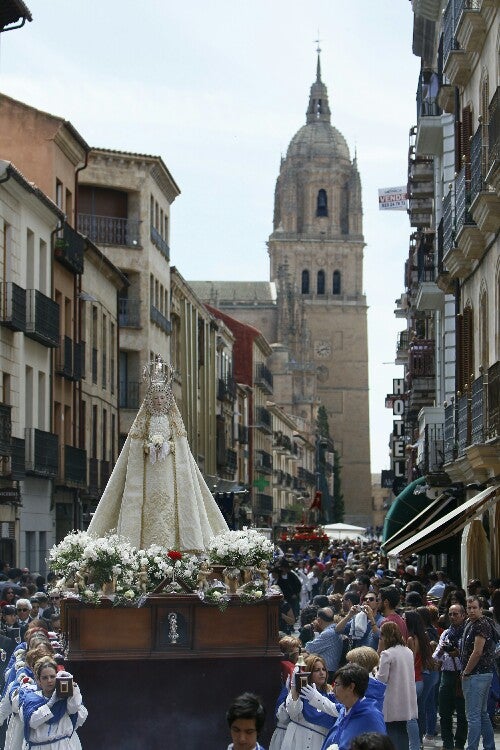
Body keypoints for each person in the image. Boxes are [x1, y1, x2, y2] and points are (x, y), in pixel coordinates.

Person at [88, 356, 228, 550]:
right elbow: (136, 445)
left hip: (170, 472)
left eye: (162, 398)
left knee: (172, 504)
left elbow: (180, 446)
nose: (159, 401)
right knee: (148, 507)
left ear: (168, 399)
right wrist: (149, 447)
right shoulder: (144, 421)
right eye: (155, 398)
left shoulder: (174, 421)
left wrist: (167, 447)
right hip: (148, 473)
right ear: (150, 400)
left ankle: (179, 545)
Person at [19, 657, 87, 749]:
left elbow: (74, 709)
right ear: (38, 680)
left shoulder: (65, 697)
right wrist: (50, 704)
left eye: (52, 676)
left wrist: (74, 689)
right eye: (45, 678)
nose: (49, 681)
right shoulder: (30, 699)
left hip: (62, 745)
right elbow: (32, 722)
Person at [460, 595, 496, 750]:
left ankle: (472, 747)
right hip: (480, 674)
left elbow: (477, 652)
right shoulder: (471, 622)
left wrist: (466, 672)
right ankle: (489, 746)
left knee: (473, 716)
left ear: (481, 609)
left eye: (475, 607)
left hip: (477, 674)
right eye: (469, 607)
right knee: (481, 714)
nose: (472, 610)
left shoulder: (481, 624)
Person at [321, 663, 386, 750]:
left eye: (337, 685)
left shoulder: (371, 717)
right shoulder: (344, 710)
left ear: (351, 687)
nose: (333, 690)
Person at [281, 654, 338, 750]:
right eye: (317, 670)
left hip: (319, 742)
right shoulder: (301, 693)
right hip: (298, 740)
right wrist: (294, 687)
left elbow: (337, 713)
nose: (322, 673)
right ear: (307, 673)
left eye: (323, 669)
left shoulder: (331, 694)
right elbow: (292, 713)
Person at [377, 621, 417, 750]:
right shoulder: (408, 652)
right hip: (406, 697)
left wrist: (374, 670)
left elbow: (381, 678)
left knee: (392, 733)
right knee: (402, 731)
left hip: (392, 699)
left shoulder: (387, 654)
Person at [433, 603, 467, 750]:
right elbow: (436, 655)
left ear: (463, 615)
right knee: (444, 712)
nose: (452, 617)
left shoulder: (468, 632)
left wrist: (458, 653)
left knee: (462, 713)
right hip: (446, 675)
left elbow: (472, 654)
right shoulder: (446, 633)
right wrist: (443, 650)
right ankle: (447, 743)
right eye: (450, 614)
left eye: (456, 614)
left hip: (462, 675)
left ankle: (459, 744)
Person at [304, 608, 344, 680]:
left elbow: (309, 648)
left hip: (328, 672)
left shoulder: (328, 633)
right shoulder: (334, 629)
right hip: (329, 670)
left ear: (319, 620)